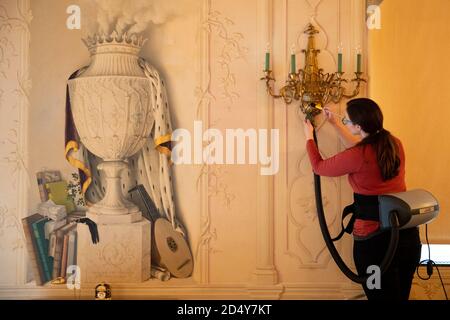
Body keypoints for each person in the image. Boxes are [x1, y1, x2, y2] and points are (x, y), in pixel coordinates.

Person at [302, 98, 421, 300]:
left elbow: (319, 167)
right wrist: (336, 123)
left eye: (347, 120)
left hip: (374, 244)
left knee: (378, 296)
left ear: (358, 126)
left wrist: (309, 138)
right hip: (407, 238)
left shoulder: (358, 154)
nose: (345, 122)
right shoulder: (394, 143)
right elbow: (361, 150)